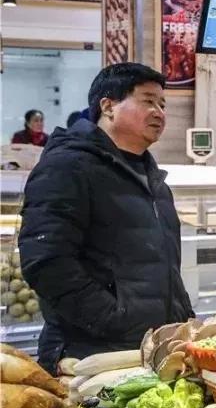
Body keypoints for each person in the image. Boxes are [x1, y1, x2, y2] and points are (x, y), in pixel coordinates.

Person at [18, 63, 194, 373]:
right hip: (90, 358)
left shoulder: (153, 180)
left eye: (162, 104)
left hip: (148, 350)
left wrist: (183, 317)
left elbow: (164, 266)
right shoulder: (67, 166)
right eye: (148, 101)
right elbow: (47, 262)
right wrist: (114, 318)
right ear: (108, 106)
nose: (159, 112)